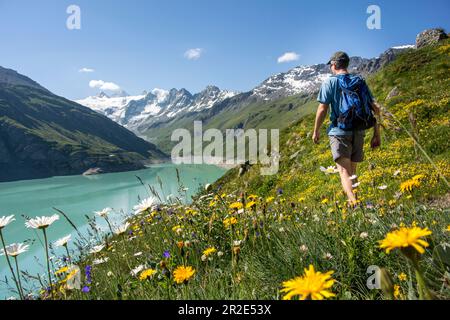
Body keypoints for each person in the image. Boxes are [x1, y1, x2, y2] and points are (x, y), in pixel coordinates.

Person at [313, 51, 381, 205]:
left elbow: (322, 109)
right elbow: (375, 107)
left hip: (339, 132)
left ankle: (356, 205)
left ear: (335, 64)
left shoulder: (330, 82)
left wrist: (316, 130)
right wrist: (377, 133)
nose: (331, 67)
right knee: (352, 172)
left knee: (344, 172)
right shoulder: (359, 81)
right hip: (359, 130)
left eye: (331, 65)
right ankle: (356, 203)